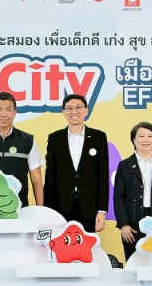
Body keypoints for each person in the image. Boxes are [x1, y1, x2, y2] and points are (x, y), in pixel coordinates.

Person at [44, 94, 110, 232]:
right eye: (69, 108)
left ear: (86, 111)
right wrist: (48, 212)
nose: (74, 112)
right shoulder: (55, 138)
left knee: (87, 244)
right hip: (61, 207)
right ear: (63, 112)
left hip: (89, 208)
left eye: (79, 107)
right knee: (60, 244)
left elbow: (103, 175)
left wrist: (102, 210)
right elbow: (50, 176)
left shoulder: (98, 137)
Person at [113, 122, 152, 260]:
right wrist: (124, 224)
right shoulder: (124, 165)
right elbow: (118, 196)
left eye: (150, 136)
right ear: (134, 140)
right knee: (133, 261)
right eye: (141, 136)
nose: (146, 140)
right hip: (133, 223)